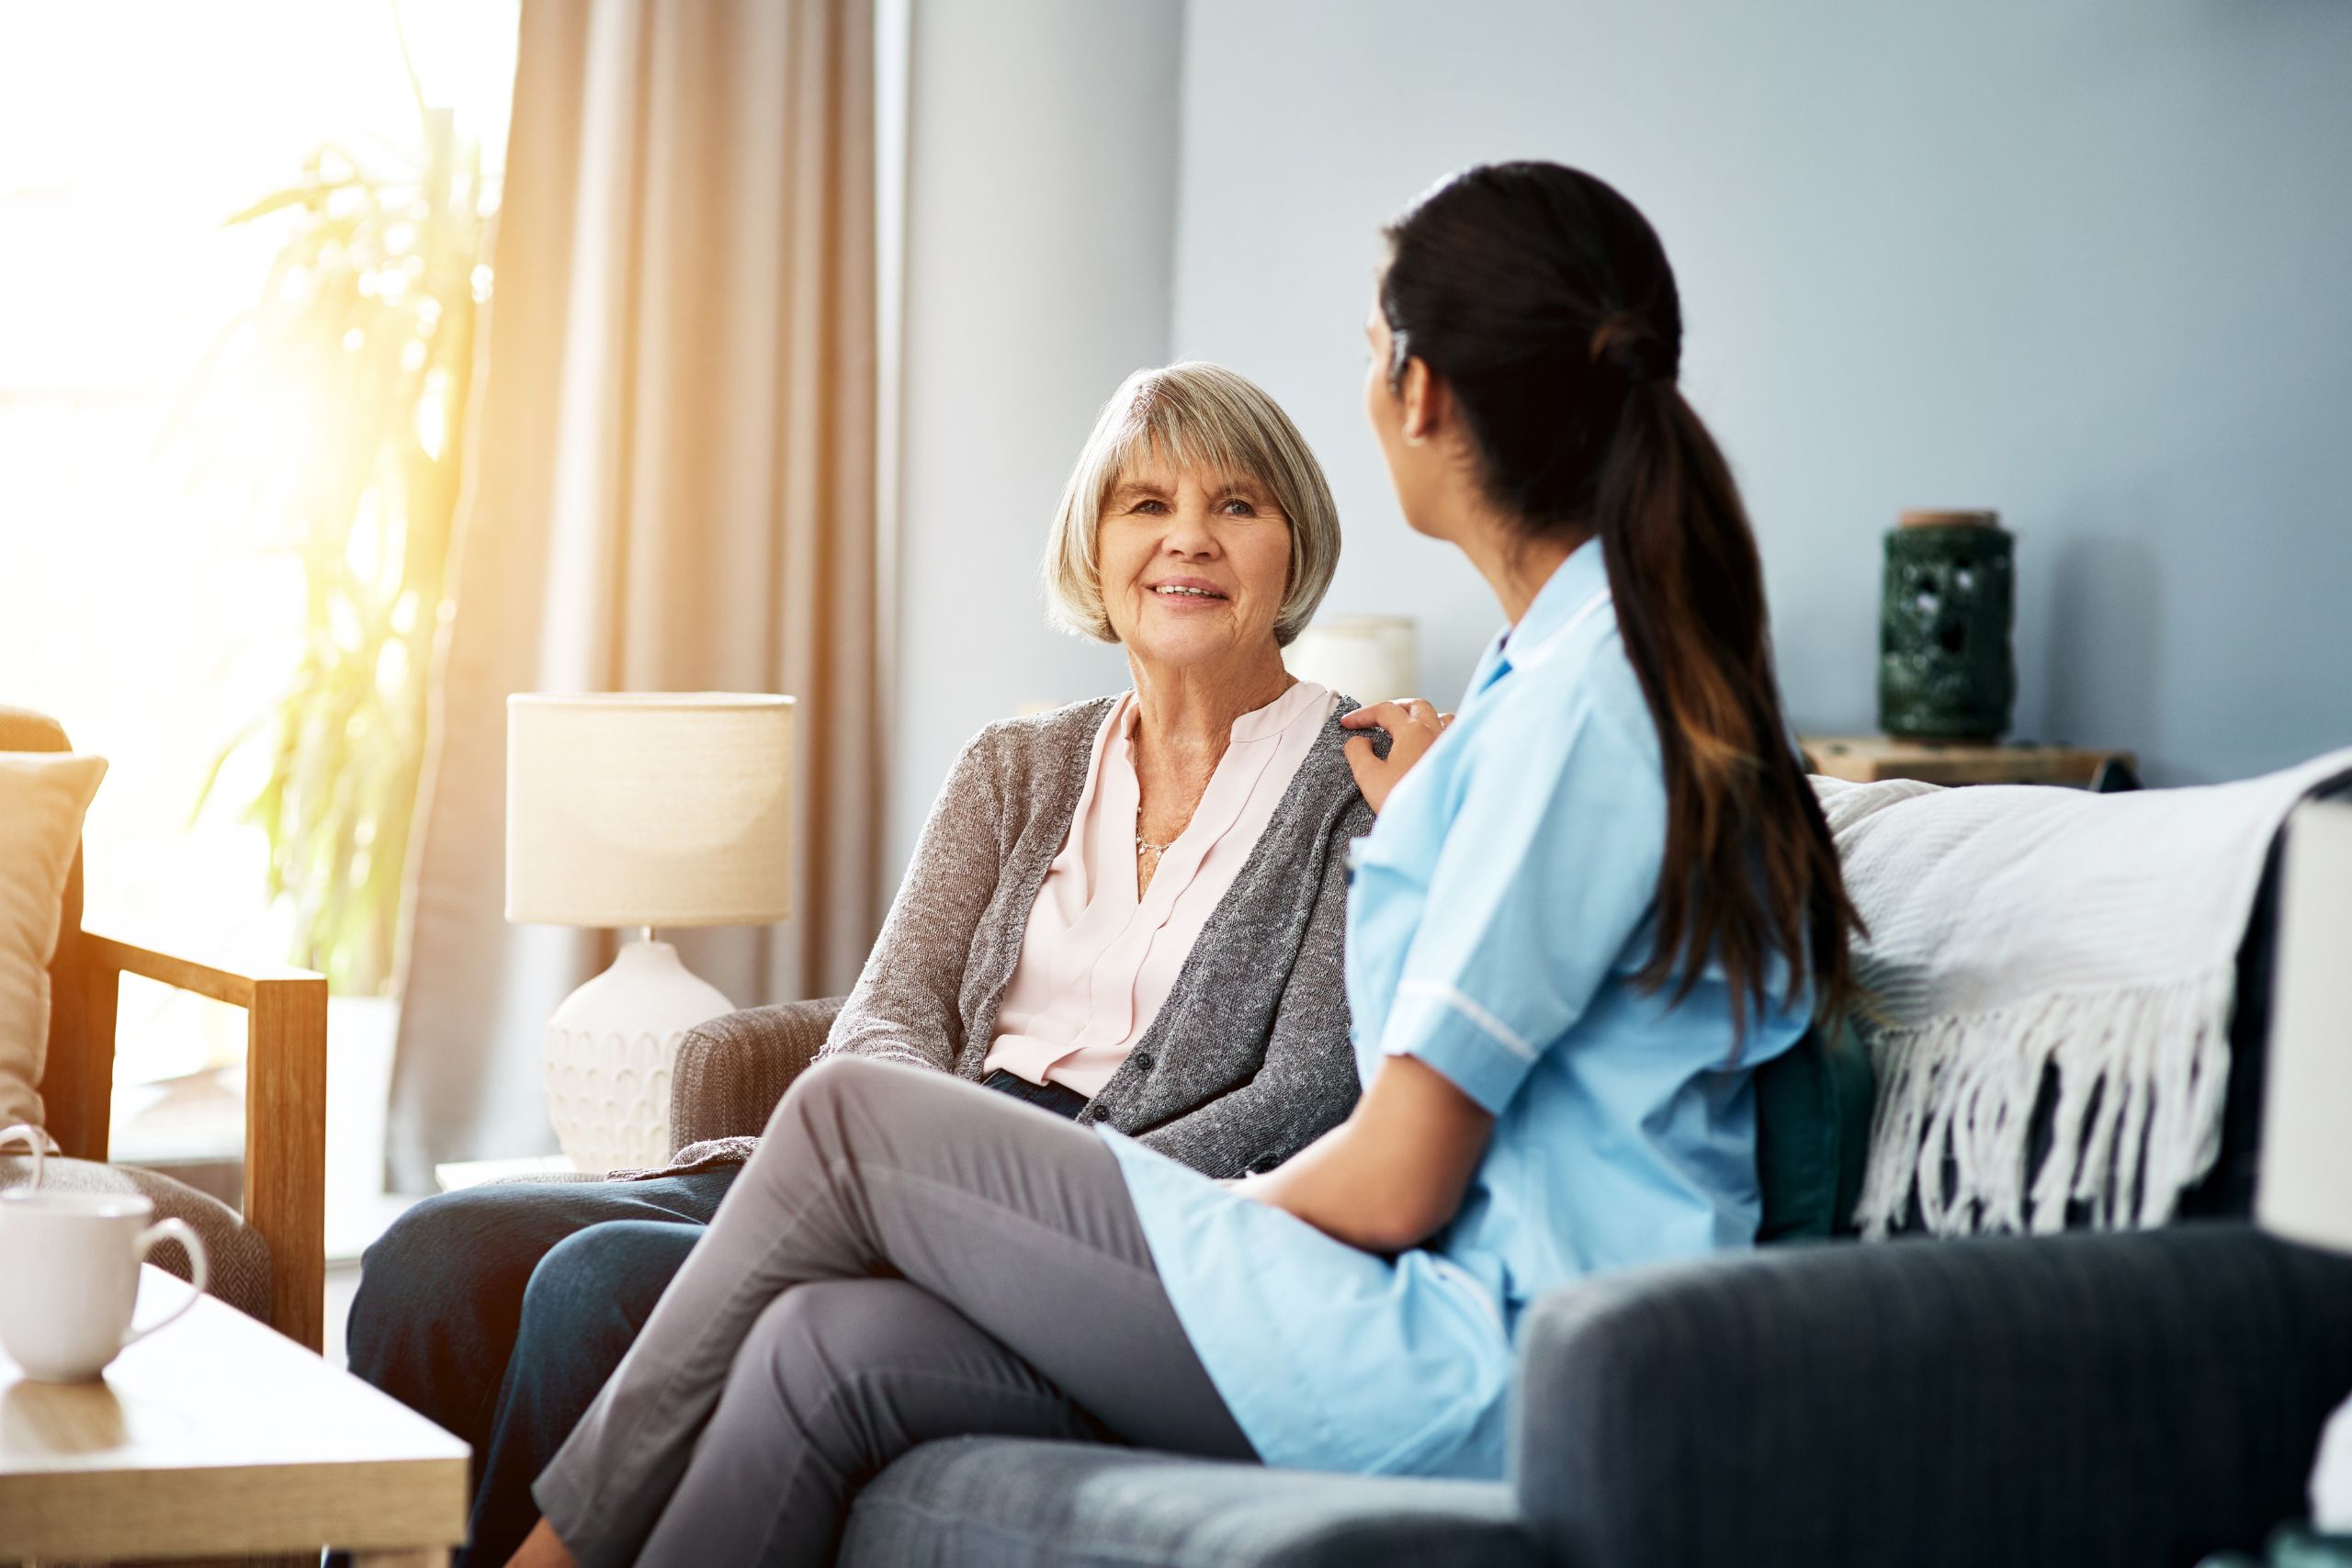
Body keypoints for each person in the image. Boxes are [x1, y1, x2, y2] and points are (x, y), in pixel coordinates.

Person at [503, 160, 1861, 1568]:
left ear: (1422, 393)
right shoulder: (1548, 689)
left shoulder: (1583, 714)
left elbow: (1396, 1178)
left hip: (1476, 1366)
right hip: (1432, 1311)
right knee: (823, 1348)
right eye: (1145, 506)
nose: (1189, 537)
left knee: (849, 1119)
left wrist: (1148, 1230)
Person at [346, 361, 1376, 1568]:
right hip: (867, 1160)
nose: (1186, 540)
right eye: (1145, 504)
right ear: (1094, 545)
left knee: (601, 1282)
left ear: (1293, 543)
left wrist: (1010, 1198)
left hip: (1090, 1220)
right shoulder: (1019, 763)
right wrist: (918, 1163)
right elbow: (882, 1020)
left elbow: (1308, 1090)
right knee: (431, 1253)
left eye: (1236, 505)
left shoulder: (1356, 785)